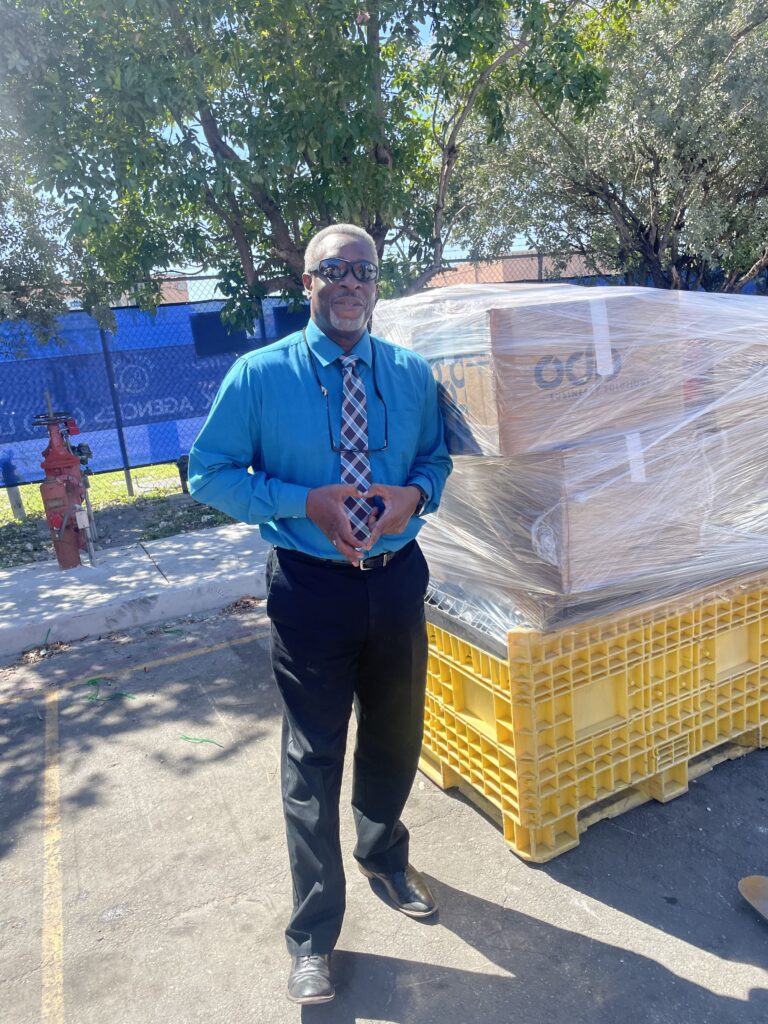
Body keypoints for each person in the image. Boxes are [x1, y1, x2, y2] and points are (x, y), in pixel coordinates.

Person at [188, 224, 452, 1005]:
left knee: (399, 730)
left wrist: (413, 495)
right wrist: (302, 500)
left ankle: (383, 853)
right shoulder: (259, 376)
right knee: (312, 758)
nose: (348, 283)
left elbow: (435, 462)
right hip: (311, 588)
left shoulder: (408, 374)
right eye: (331, 270)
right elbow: (208, 473)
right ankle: (311, 936)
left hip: (398, 578)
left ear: (376, 284)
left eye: (361, 271)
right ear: (306, 282)